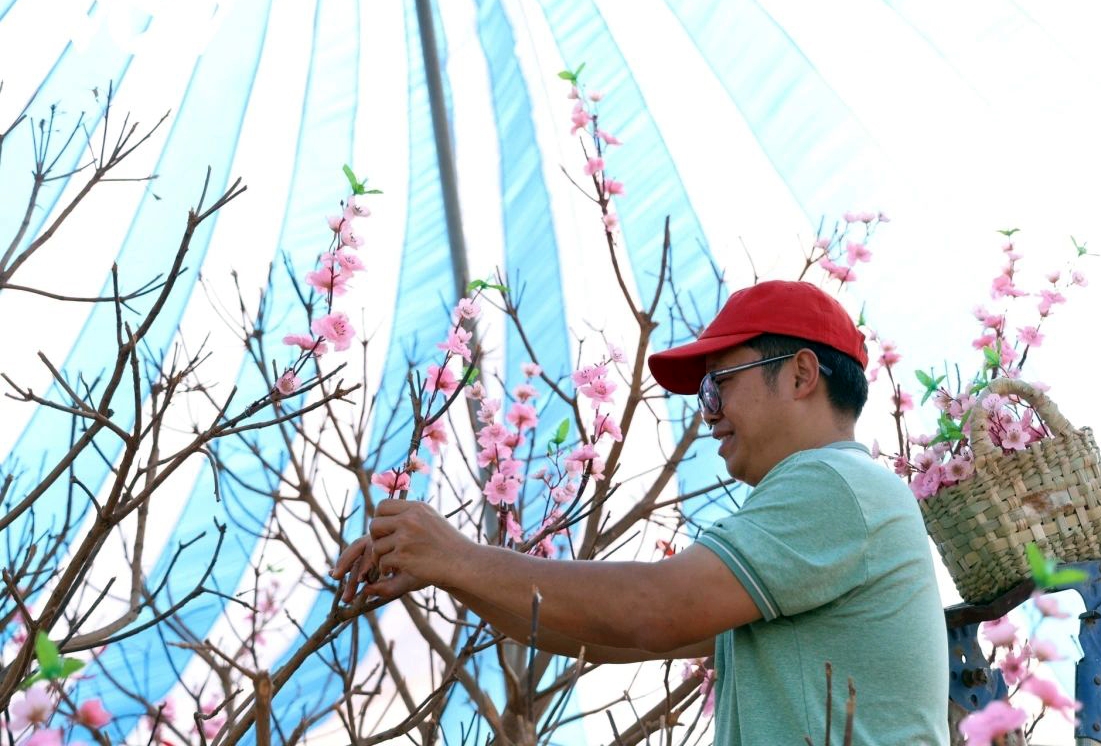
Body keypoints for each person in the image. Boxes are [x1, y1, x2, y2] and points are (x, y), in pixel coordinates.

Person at [332, 280, 949, 745]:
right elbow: (592, 635)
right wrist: (448, 570)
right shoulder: (840, 498)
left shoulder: (831, 482)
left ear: (800, 375)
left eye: (718, 384)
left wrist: (457, 555)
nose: (707, 411)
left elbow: (654, 609)